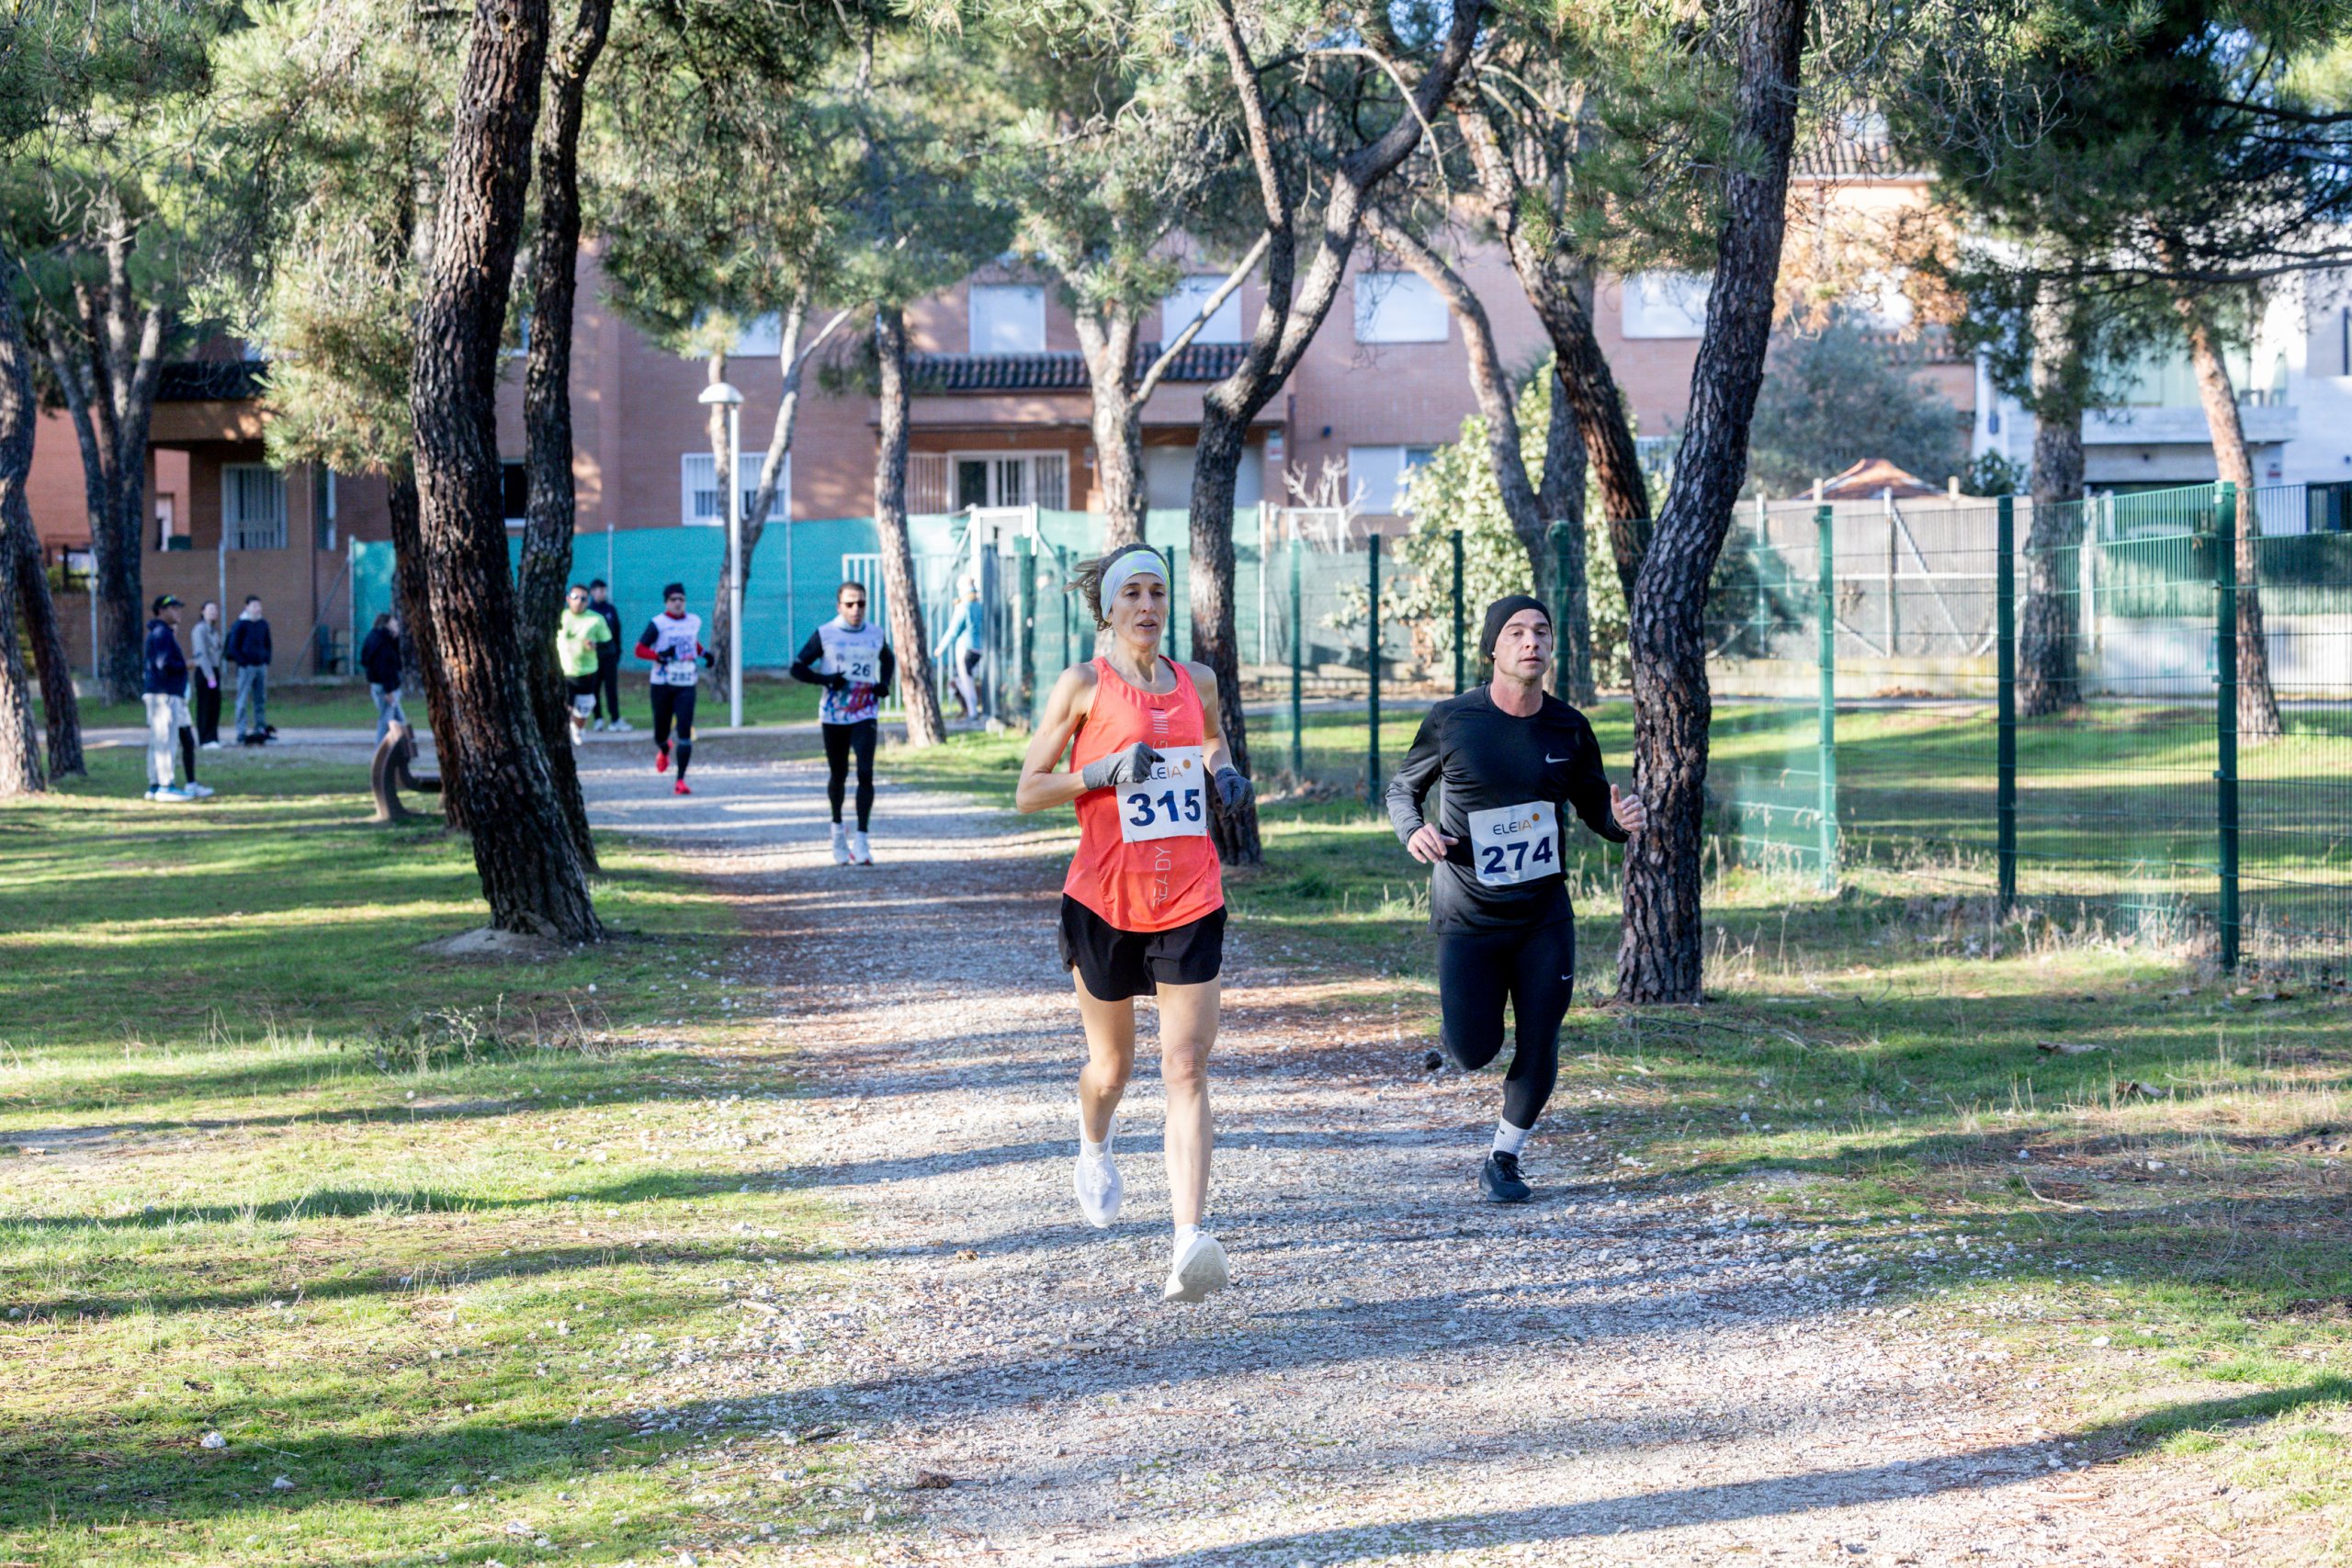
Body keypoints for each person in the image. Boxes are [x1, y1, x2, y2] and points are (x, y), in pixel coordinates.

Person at [1013, 544, 1253, 1303]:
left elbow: (1209, 737)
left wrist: (1223, 772)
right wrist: (1102, 772)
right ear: (1109, 609)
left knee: (1185, 1064)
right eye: (1133, 594)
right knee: (1111, 1069)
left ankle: (1188, 1240)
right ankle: (1094, 1141)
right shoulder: (1083, 685)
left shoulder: (1198, 680)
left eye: (1158, 592)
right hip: (1105, 902)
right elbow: (1027, 789)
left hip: (1189, 895)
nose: (1148, 606)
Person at [1385, 595, 1647, 1204]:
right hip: (1469, 915)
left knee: (1540, 1037)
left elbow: (1594, 810)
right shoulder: (1453, 720)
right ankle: (1470, 1040)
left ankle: (1505, 1155)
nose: (1531, 641)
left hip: (1542, 917)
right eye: (1516, 632)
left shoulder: (1568, 727)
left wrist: (1620, 819)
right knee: (1474, 1049)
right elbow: (1404, 787)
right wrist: (1414, 829)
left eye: (1541, 632)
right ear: (1493, 648)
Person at [790, 581, 894, 865]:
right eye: (850, 604)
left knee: (865, 773)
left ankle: (862, 839)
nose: (856, 609)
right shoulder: (826, 633)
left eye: (861, 603)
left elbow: (888, 659)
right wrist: (826, 680)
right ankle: (837, 832)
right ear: (839, 606)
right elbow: (797, 668)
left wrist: (883, 684)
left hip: (865, 713)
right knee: (839, 775)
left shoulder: (875, 633)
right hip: (834, 715)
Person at [633, 581, 709, 795]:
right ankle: (664, 748)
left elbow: (692, 643)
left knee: (685, 732)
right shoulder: (658, 623)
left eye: (681, 600)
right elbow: (639, 649)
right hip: (662, 684)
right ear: (666, 603)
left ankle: (680, 780)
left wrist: (705, 654)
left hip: (686, 683)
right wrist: (658, 656)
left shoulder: (693, 621)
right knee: (660, 732)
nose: (678, 603)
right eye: (673, 600)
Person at [141, 595, 213, 802]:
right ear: (161, 611)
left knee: (157, 741)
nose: (178, 612)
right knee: (166, 741)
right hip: (165, 695)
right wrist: (186, 665)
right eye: (173, 608)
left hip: (160, 693)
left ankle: (154, 785)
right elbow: (163, 664)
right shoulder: (162, 633)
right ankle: (166, 786)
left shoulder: (159, 633)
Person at [557, 584, 613, 746]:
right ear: (568, 599)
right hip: (564, 671)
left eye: (583, 599)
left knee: (584, 707)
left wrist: (596, 645)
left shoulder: (596, 619)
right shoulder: (560, 616)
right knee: (565, 705)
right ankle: (562, 737)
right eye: (575, 597)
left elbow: (609, 645)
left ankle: (578, 727)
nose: (579, 602)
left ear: (588, 601)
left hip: (586, 671)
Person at [224, 594, 275, 745]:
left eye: (259, 606)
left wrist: (266, 658)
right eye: (254, 606)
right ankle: (241, 732)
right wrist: (243, 661)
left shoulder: (263, 624)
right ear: (247, 607)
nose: (257, 609)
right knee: (242, 699)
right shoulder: (240, 624)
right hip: (247, 668)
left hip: (260, 666)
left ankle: (260, 729)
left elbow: (268, 643)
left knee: (260, 699)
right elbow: (233, 646)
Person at [359, 612, 407, 744]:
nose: (396, 624)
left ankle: (404, 748)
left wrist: (395, 639)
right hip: (386, 688)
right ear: (387, 625)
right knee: (386, 722)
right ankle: (380, 752)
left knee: (399, 719)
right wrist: (389, 690)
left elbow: (364, 659)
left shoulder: (374, 637)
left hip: (380, 685)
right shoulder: (383, 644)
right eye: (394, 623)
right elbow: (386, 667)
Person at [940, 575, 983, 720]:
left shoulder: (963, 607)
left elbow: (953, 630)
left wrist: (941, 647)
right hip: (979, 649)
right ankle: (971, 709)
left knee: (966, 681)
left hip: (965, 649)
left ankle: (972, 712)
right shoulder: (979, 606)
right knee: (962, 680)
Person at [587, 580, 628, 732]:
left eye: (603, 590)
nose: (601, 592)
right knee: (594, 688)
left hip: (609, 656)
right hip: (593, 657)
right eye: (598, 590)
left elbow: (617, 631)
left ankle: (615, 719)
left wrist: (618, 651)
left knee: (611, 688)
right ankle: (598, 718)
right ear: (592, 592)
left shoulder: (610, 609)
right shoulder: (588, 611)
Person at [190, 600, 225, 749]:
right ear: (202, 611)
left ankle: (213, 738)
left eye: (215, 610)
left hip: (214, 671)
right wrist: (209, 675)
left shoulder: (213, 630)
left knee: (214, 705)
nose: (213, 612)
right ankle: (204, 739)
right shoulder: (200, 630)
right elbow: (201, 654)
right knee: (205, 705)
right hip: (205, 672)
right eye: (210, 609)